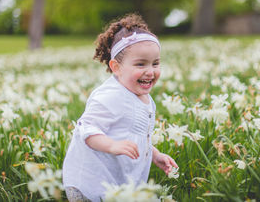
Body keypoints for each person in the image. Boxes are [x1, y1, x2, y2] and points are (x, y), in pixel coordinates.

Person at [62, 13, 178, 202]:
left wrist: (154, 155)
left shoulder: (143, 97)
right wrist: (112, 145)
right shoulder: (110, 96)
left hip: (114, 182)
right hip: (89, 184)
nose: (150, 71)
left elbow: (137, 135)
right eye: (140, 64)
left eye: (155, 63)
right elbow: (86, 129)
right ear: (116, 67)